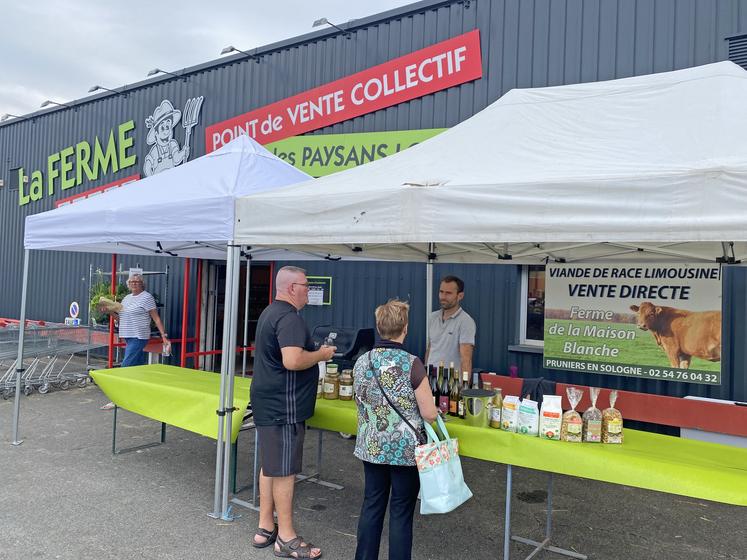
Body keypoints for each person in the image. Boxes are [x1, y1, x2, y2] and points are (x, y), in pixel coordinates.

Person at [251, 266, 335, 559]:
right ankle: (286, 537)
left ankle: (265, 527)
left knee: (270, 464)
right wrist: (322, 355)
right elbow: (293, 360)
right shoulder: (290, 318)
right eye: (305, 285)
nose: (308, 290)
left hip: (268, 400)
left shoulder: (269, 312)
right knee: (284, 469)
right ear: (291, 288)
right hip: (283, 405)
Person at [353, 299, 439, 560]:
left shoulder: (361, 362)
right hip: (405, 451)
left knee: (372, 505)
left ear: (379, 327)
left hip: (371, 446)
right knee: (401, 511)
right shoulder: (412, 364)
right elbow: (429, 414)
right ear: (405, 328)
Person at [100, 274, 169, 410]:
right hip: (128, 335)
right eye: (132, 281)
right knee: (136, 369)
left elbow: (156, 318)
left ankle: (117, 399)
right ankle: (141, 396)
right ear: (128, 284)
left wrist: (164, 336)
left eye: (137, 281)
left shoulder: (147, 297)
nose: (134, 283)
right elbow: (121, 318)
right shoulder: (126, 298)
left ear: (142, 283)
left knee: (125, 367)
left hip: (139, 336)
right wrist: (108, 312)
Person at [425, 275, 476, 376]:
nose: (443, 297)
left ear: (460, 296)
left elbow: (466, 359)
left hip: (450, 384)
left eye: (448, 293)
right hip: (430, 380)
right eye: (441, 292)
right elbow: (430, 348)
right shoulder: (432, 317)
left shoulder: (466, 321)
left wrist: (463, 389)